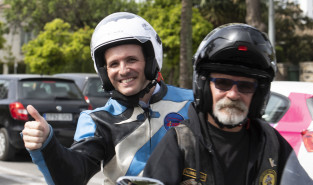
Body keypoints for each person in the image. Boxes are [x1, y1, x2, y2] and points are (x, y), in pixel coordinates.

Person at [21, 12, 193, 185]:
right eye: (114, 64)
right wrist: (47, 145)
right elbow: (72, 176)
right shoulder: (97, 120)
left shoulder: (191, 103)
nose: (123, 70)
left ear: (150, 60)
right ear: (104, 72)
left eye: (131, 60)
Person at [143, 23, 313, 185]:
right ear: (204, 87)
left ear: (258, 94)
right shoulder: (181, 142)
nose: (233, 94)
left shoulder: (271, 143)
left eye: (246, 86)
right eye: (223, 83)